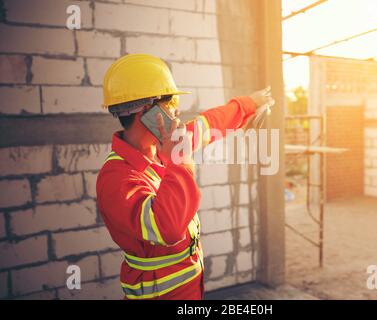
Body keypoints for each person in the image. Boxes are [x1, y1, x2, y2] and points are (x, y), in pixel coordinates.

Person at [96, 54, 274, 299]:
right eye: (169, 101)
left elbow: (209, 124)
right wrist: (178, 161)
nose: (177, 109)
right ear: (147, 111)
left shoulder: (164, 144)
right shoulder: (116, 179)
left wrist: (249, 104)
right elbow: (167, 227)